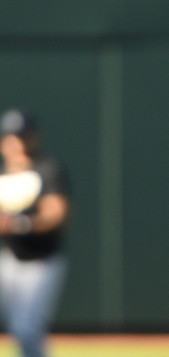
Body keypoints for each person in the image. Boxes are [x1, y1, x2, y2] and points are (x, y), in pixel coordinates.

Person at [0, 109, 70, 357]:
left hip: (42, 261)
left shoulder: (46, 169)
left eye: (21, 136)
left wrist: (20, 224)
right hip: (10, 260)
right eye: (10, 136)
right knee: (20, 329)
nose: (16, 142)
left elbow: (56, 213)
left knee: (27, 329)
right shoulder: (3, 175)